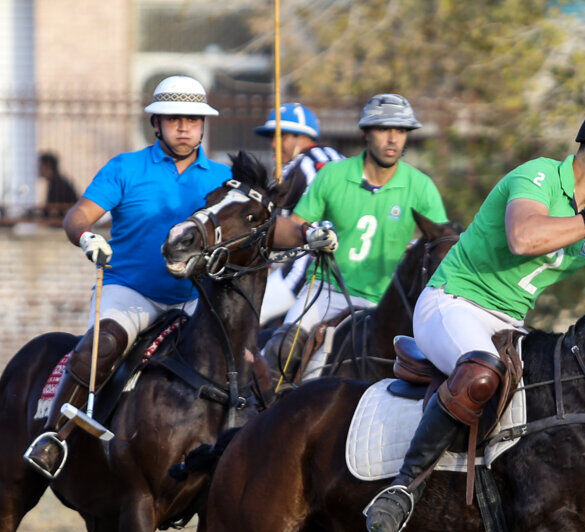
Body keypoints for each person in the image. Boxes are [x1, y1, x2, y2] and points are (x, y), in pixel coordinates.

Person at [362, 102, 585, 532]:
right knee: (481, 370)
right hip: (452, 304)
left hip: (509, 325)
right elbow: (524, 237)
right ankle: (401, 488)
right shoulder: (537, 177)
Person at [23, 75, 233, 479]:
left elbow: (263, 226)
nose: (184, 127)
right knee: (99, 347)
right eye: (174, 119)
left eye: (193, 119)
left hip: (195, 298)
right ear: (156, 123)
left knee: (244, 358)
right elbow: (78, 214)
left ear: (204, 124)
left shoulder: (223, 178)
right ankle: (54, 437)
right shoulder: (125, 167)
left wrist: (308, 232)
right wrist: (86, 237)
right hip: (131, 292)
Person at [263, 93, 446, 381]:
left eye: (400, 131)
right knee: (281, 350)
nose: (392, 139)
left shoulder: (421, 186)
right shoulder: (333, 175)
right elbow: (287, 229)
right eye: (384, 129)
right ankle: (261, 418)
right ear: (365, 133)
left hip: (389, 302)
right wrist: (308, 233)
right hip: (327, 291)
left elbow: (443, 245)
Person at [254, 102, 345, 323]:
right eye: (272, 138)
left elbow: (276, 233)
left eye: (282, 137)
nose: (274, 145)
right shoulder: (340, 159)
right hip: (353, 267)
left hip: (308, 269)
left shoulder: (297, 168)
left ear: (302, 137)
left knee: (247, 317)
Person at [37, 152, 79, 222]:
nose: (38, 170)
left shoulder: (59, 184)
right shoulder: (54, 182)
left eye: (40, 166)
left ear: (47, 166)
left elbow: (53, 209)